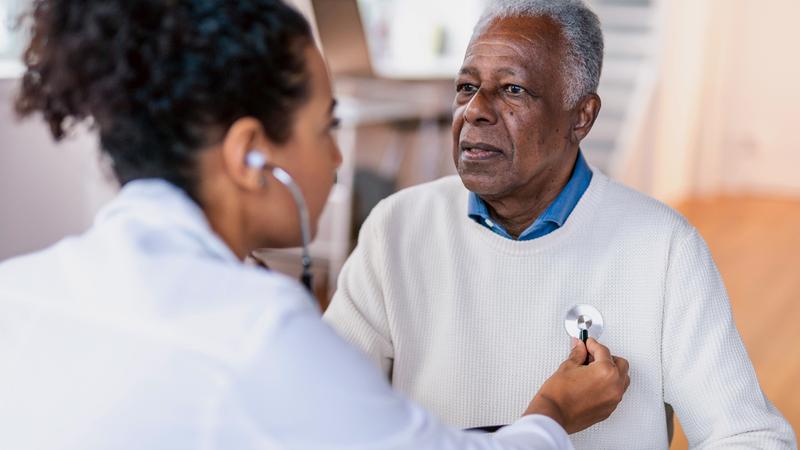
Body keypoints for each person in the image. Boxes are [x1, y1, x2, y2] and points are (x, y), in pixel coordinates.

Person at [0, 1, 631, 449]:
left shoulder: (18, 289)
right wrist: (552, 412)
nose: (335, 158)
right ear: (251, 153)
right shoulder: (257, 338)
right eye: (327, 126)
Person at [323, 0, 797, 448]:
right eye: (467, 87)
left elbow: (749, 436)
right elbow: (319, 411)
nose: (475, 111)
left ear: (582, 118)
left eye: (513, 90)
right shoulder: (397, 227)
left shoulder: (665, 248)